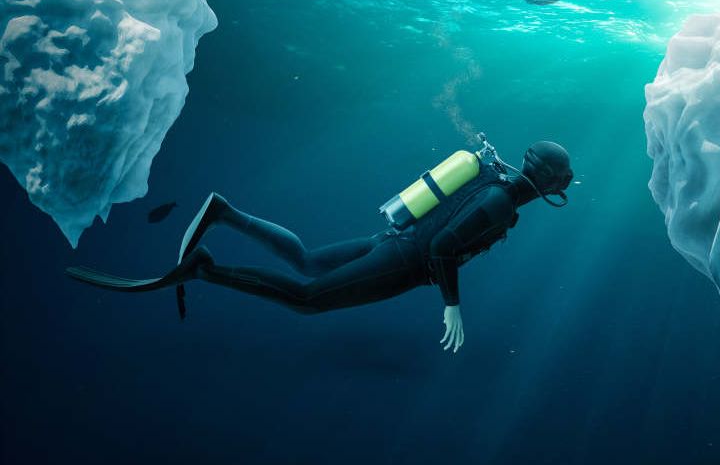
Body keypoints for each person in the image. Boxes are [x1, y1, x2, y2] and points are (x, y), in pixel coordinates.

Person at [66, 140, 574, 353]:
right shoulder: (502, 203)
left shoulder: (494, 178)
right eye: (561, 182)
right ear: (548, 183)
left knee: (306, 259)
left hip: (391, 239)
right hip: (403, 260)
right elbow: (443, 246)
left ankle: (226, 213)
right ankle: (204, 269)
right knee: (308, 299)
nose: (561, 190)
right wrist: (452, 306)